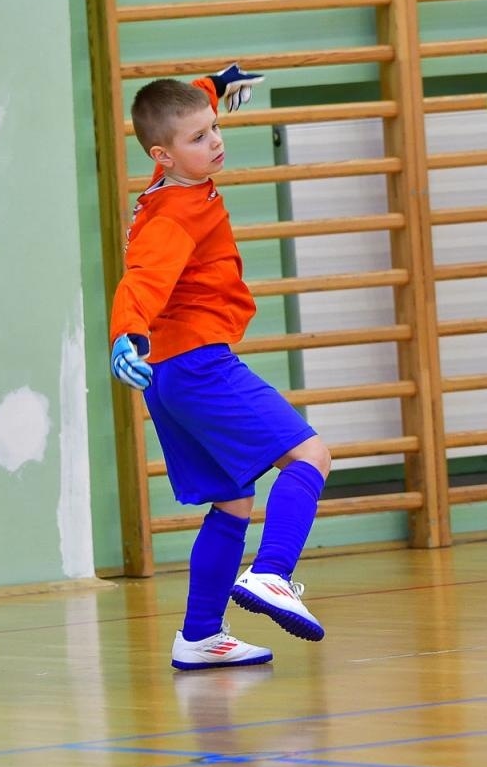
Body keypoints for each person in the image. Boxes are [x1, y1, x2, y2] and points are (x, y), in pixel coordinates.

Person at [109, 64, 333, 670]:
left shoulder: (168, 178)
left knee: (233, 498)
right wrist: (126, 334)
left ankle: (201, 634)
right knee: (311, 456)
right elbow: (142, 282)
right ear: (164, 154)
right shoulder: (174, 217)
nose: (215, 142)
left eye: (213, 130)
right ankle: (273, 573)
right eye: (199, 138)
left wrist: (213, 83)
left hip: (172, 376)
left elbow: (191, 106)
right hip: (199, 363)